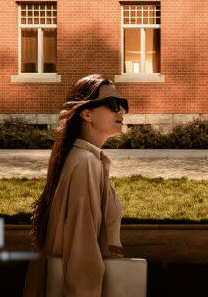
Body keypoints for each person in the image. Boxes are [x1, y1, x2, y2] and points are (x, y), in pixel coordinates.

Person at [24, 74, 129, 297]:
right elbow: (82, 250)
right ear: (87, 113)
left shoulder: (85, 159)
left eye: (123, 104)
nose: (121, 110)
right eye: (112, 104)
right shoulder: (85, 163)